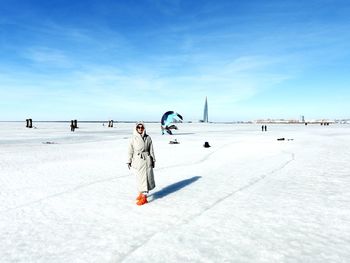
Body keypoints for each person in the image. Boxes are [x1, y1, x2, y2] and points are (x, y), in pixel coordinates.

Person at [127, 122, 156, 206]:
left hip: (147, 160)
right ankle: (141, 193)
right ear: (136, 128)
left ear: (144, 128)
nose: (140, 129)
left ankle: (144, 197)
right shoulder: (133, 138)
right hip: (138, 160)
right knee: (139, 178)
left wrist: (153, 159)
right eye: (138, 127)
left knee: (146, 178)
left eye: (142, 127)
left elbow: (151, 150)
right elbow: (130, 151)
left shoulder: (148, 138)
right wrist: (129, 161)